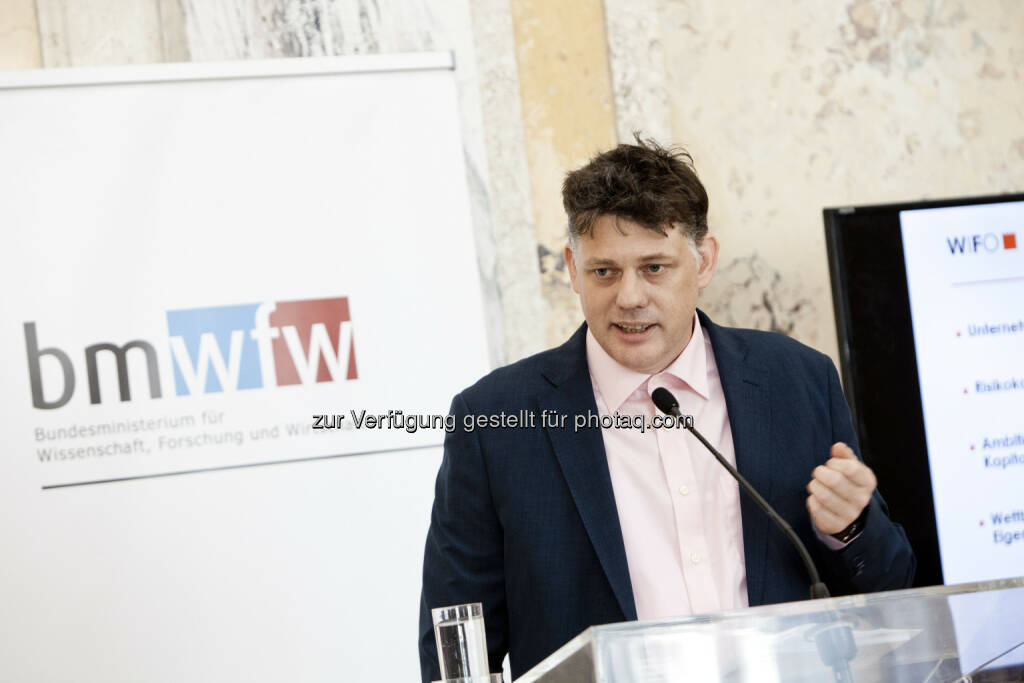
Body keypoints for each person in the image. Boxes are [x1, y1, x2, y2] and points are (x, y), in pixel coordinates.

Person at [418, 139, 915, 682]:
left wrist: (849, 528)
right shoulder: (495, 422)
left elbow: (892, 586)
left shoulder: (797, 381)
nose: (630, 296)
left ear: (704, 262)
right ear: (573, 268)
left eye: (654, 267)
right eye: (604, 272)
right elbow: (453, 649)